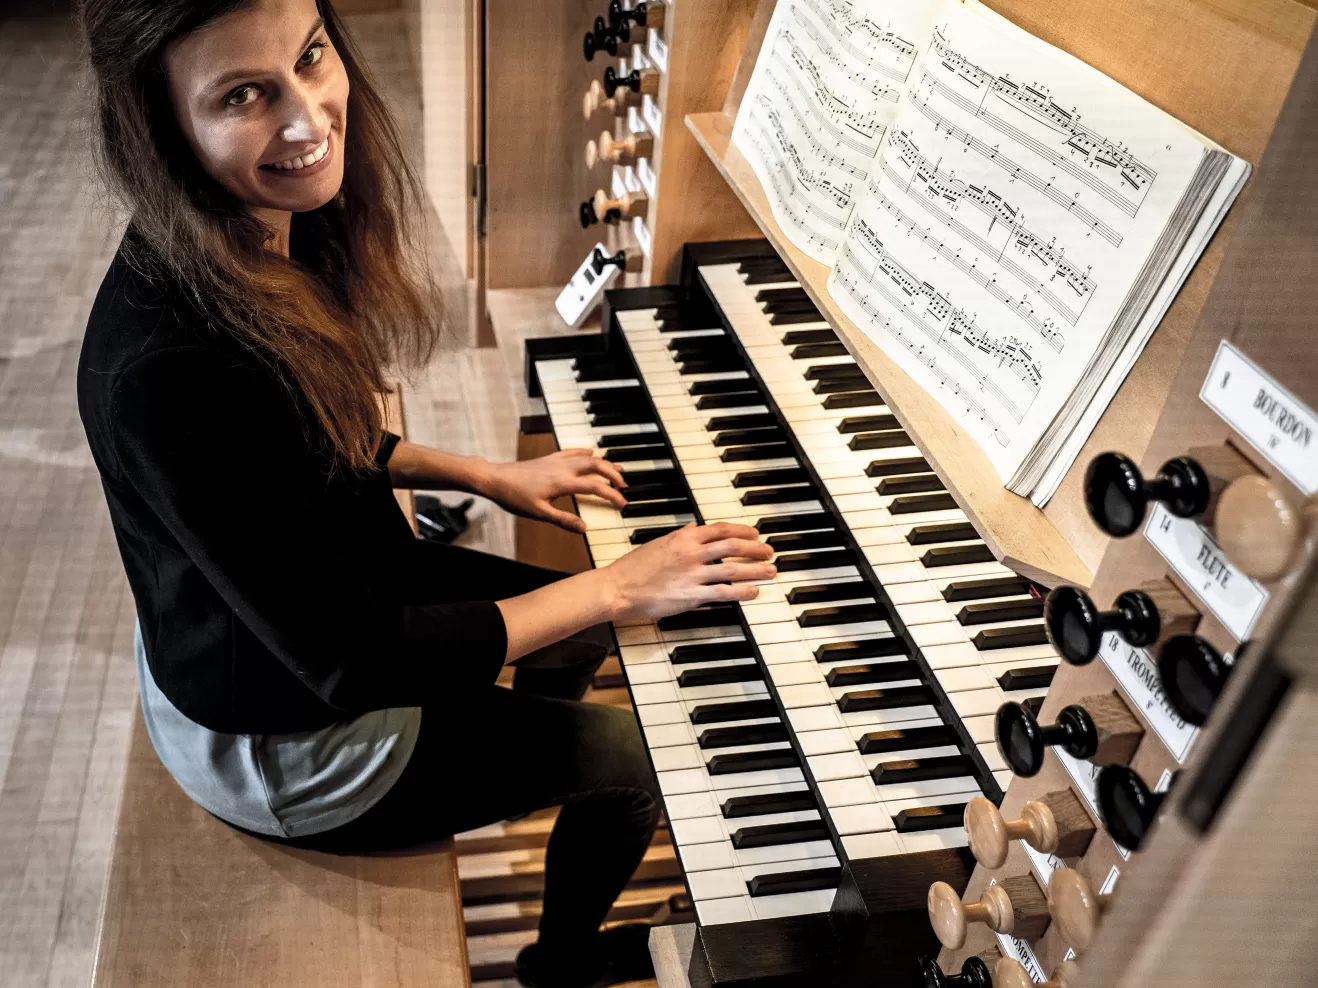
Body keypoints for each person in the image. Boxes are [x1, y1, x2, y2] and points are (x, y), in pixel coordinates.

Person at [74, 1, 776, 986]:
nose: (309, 121)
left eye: (309, 57)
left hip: (322, 607)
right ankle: (559, 961)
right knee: (643, 756)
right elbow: (349, 662)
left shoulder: (257, 231)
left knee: (572, 630)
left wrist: (487, 473)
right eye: (244, 95)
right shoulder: (165, 362)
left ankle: (523, 769)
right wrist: (616, 586)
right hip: (281, 732)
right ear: (162, 129)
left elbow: (298, 440)